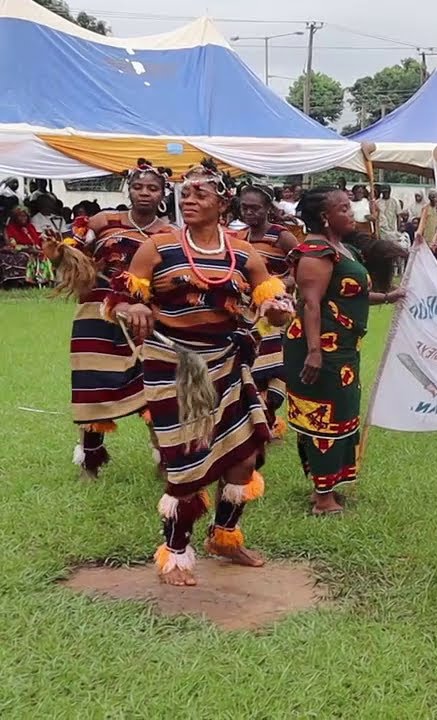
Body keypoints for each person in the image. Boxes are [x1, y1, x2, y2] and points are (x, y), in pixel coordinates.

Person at [111, 160, 294, 587]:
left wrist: (275, 309)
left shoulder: (243, 253)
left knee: (244, 456)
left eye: (200, 195)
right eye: (185, 194)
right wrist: (134, 306)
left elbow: (269, 301)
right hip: (172, 366)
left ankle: (225, 537)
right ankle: (175, 554)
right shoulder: (158, 246)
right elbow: (119, 298)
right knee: (189, 463)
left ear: (222, 202)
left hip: (227, 362)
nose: (189, 201)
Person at [46, 160, 176, 478]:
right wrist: (58, 253)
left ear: (163, 193)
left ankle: (166, 460)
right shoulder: (105, 220)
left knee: (155, 387)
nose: (144, 193)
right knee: (94, 386)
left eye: (152, 188)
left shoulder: (170, 232)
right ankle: (91, 463)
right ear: (128, 190)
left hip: (145, 318)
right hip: (96, 314)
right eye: (138, 186)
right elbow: (73, 254)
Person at [285, 188, 404, 515]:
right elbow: (311, 302)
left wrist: (392, 296)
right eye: (344, 209)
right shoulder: (315, 251)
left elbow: (352, 295)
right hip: (321, 348)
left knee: (342, 412)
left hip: (344, 347)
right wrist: (314, 351)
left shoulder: (345, 249)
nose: (353, 214)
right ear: (325, 217)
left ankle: (327, 485)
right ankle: (323, 499)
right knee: (324, 417)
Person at [238, 184, 299, 434]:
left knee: (268, 364)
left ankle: (268, 418)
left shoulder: (281, 236)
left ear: (267, 209)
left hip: (275, 309)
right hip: (246, 309)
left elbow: (300, 269)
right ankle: (254, 418)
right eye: (245, 208)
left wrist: (276, 286)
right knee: (248, 363)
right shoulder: (238, 237)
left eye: (255, 208)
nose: (250, 213)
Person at [4, 206, 53, 285]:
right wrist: (28, 248)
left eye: (25, 216)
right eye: (20, 216)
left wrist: (43, 238)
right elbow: (12, 243)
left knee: (47, 253)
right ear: (15, 217)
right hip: (21, 249)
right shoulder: (10, 228)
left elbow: (36, 239)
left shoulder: (30, 227)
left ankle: (45, 279)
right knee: (33, 255)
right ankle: (32, 280)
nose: (23, 218)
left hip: (34, 248)